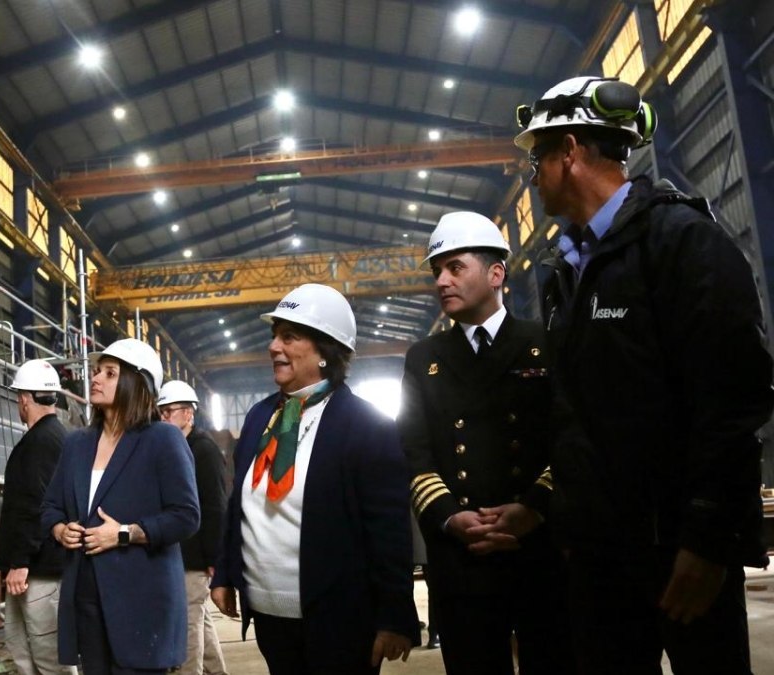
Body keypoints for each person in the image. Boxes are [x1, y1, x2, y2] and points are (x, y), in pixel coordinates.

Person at [515, 75, 774, 674]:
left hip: (679, 551)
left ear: (570, 151)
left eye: (537, 158)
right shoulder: (564, 272)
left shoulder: (683, 242)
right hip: (599, 559)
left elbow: (732, 402)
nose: (532, 176)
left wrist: (707, 540)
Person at [211, 283, 418, 675]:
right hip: (269, 616)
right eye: (274, 335)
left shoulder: (365, 426)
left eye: (289, 337)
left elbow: (388, 530)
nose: (273, 346)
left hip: (340, 617)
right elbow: (239, 504)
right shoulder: (259, 418)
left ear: (325, 351)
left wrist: (395, 615)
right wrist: (224, 572)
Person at [397, 212, 571, 675]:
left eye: (455, 267)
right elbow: (414, 451)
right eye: (437, 271)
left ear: (496, 274)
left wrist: (533, 508)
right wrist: (451, 516)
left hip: (539, 549)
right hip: (462, 558)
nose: (442, 281)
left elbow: (571, 437)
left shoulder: (546, 342)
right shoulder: (424, 359)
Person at [41, 338, 200, 675]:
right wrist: (60, 530)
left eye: (109, 373)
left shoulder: (162, 439)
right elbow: (51, 506)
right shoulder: (77, 443)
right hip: (86, 594)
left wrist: (125, 533)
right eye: (97, 371)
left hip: (142, 599)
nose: (95, 378)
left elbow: (186, 516)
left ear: (136, 383)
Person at [0, 359, 76, 675]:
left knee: (49, 658)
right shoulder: (57, 437)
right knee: (23, 648)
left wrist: (20, 561)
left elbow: (35, 505)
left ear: (25, 399)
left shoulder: (39, 443)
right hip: (40, 567)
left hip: (39, 570)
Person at [156, 380, 229, 675]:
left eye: (168, 411)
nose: (162, 417)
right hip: (182, 553)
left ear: (188, 413)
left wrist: (214, 558)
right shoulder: (177, 446)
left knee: (187, 626)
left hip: (195, 557)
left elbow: (215, 507)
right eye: (160, 412)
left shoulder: (203, 450)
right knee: (198, 619)